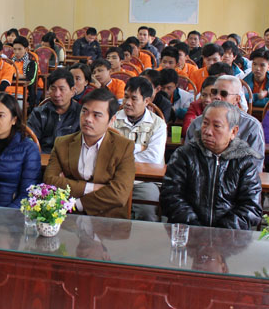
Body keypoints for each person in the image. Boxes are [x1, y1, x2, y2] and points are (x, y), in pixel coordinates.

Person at [161, 101, 263, 229]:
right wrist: (196, 228)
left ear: (233, 132)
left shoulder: (244, 162)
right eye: (205, 123)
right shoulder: (184, 155)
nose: (208, 131)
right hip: (189, 232)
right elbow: (170, 196)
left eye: (217, 126)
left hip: (229, 235)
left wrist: (220, 232)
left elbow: (251, 208)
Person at [44, 88, 135, 218]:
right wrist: (94, 188)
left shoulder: (124, 147)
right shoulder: (62, 143)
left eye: (96, 115)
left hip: (107, 219)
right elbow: (49, 182)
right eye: (84, 111)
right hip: (67, 218)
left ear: (111, 120)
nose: (88, 119)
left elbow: (119, 195)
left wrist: (77, 203)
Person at [112, 77, 166, 221]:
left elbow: (153, 158)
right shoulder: (113, 119)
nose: (127, 102)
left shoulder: (158, 124)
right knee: (106, 209)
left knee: (147, 211)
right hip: (115, 178)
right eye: (126, 97)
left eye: (134, 98)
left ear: (146, 101)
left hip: (144, 181)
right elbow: (108, 153)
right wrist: (140, 148)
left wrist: (122, 156)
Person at [185, 75, 265, 172]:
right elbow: (187, 160)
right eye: (214, 92)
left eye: (223, 94)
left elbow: (255, 167)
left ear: (236, 99)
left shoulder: (251, 126)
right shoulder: (197, 123)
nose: (217, 97)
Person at [27, 69, 81, 153]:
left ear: (72, 91)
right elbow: (30, 140)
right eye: (53, 88)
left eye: (62, 89)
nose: (57, 94)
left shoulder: (81, 114)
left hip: (71, 158)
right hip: (43, 156)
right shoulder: (39, 113)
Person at [9, 36, 38, 110]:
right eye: (14, 49)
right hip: (7, 91)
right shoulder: (9, 62)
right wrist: (21, 76)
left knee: (17, 109)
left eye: (19, 49)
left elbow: (30, 79)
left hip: (22, 92)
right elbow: (5, 76)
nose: (16, 52)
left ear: (26, 49)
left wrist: (14, 76)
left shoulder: (31, 63)